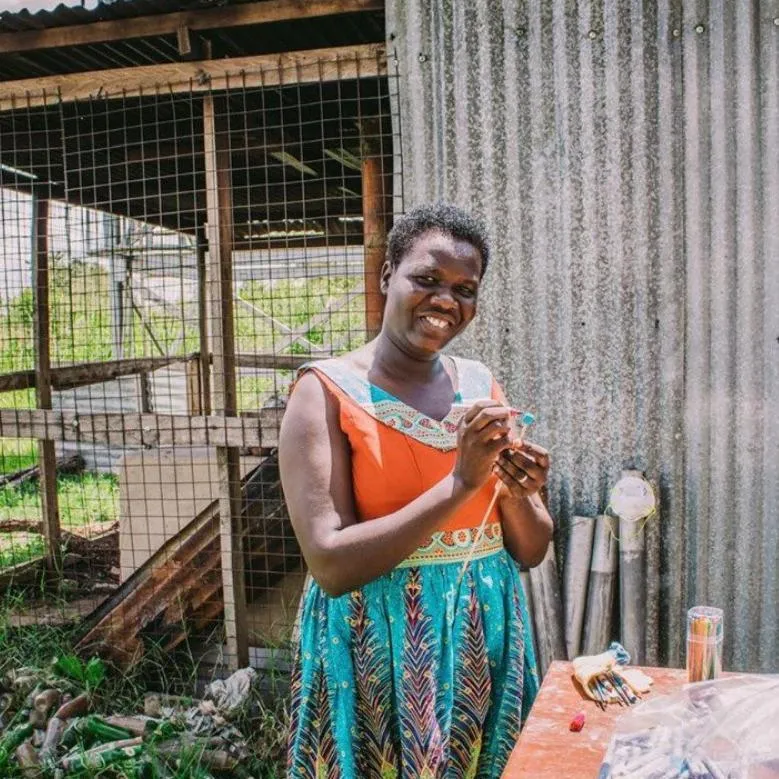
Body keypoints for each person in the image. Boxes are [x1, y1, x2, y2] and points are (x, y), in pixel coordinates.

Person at [279, 202, 554, 778]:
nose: (446, 301)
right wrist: (460, 483)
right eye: (426, 280)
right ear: (387, 276)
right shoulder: (325, 390)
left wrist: (522, 492)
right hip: (376, 645)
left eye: (465, 288)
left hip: (484, 635)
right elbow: (330, 563)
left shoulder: (480, 386)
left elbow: (529, 550)